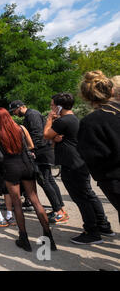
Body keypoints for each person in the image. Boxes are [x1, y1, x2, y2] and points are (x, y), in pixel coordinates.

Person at [0, 108, 56, 252]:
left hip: (11, 167)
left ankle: (24, 239)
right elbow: (31, 146)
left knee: (16, 203)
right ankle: (49, 239)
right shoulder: (21, 128)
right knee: (35, 200)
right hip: (26, 165)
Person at [44, 92, 113, 245]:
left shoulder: (63, 121)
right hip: (79, 163)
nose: (51, 107)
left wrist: (49, 119)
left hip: (71, 165)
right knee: (88, 195)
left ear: (59, 106)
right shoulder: (72, 119)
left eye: (53, 105)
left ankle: (92, 232)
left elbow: (46, 134)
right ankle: (103, 225)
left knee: (81, 198)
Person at [9, 100, 68, 224]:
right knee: (49, 180)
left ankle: (59, 211)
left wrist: (32, 150)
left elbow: (37, 134)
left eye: (14, 110)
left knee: (45, 181)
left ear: (20, 107)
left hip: (41, 152)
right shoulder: (29, 115)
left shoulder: (32, 115)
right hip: (43, 151)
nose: (14, 113)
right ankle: (59, 209)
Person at [78, 71, 120, 223]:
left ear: (85, 95)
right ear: (112, 91)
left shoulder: (91, 121)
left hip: (113, 178)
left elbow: (91, 155)